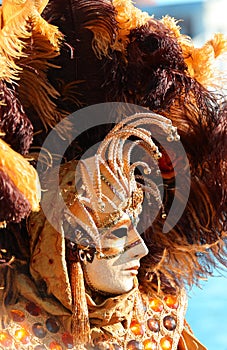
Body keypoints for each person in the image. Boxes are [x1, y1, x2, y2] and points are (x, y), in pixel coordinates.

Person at [0, 1, 226, 350]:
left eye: (136, 225)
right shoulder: (10, 325)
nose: (140, 247)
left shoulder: (158, 321)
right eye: (119, 230)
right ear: (71, 242)